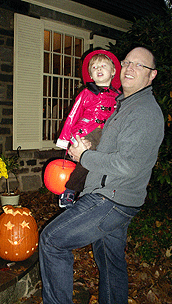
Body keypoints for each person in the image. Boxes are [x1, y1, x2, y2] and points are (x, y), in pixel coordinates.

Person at [20, 46, 164, 304]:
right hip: (113, 197)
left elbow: (128, 164)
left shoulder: (146, 112)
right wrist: (85, 141)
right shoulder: (124, 103)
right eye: (126, 62)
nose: (130, 68)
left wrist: (84, 157)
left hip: (110, 198)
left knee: (52, 240)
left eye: (139, 65)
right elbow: (105, 137)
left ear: (152, 75)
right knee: (111, 264)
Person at [56, 50, 121, 209]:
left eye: (103, 66)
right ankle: (70, 190)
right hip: (86, 132)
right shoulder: (86, 93)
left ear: (113, 71)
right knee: (88, 160)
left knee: (102, 165)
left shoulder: (118, 96)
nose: (99, 69)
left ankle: (92, 194)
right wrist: (67, 140)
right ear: (90, 75)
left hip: (107, 134)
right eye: (94, 67)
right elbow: (73, 114)